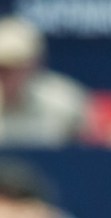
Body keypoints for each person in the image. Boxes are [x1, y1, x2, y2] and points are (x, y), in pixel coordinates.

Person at [0, 16, 89, 146]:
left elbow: (87, 158)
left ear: (35, 64)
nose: (7, 75)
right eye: (2, 67)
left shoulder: (67, 103)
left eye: (16, 65)